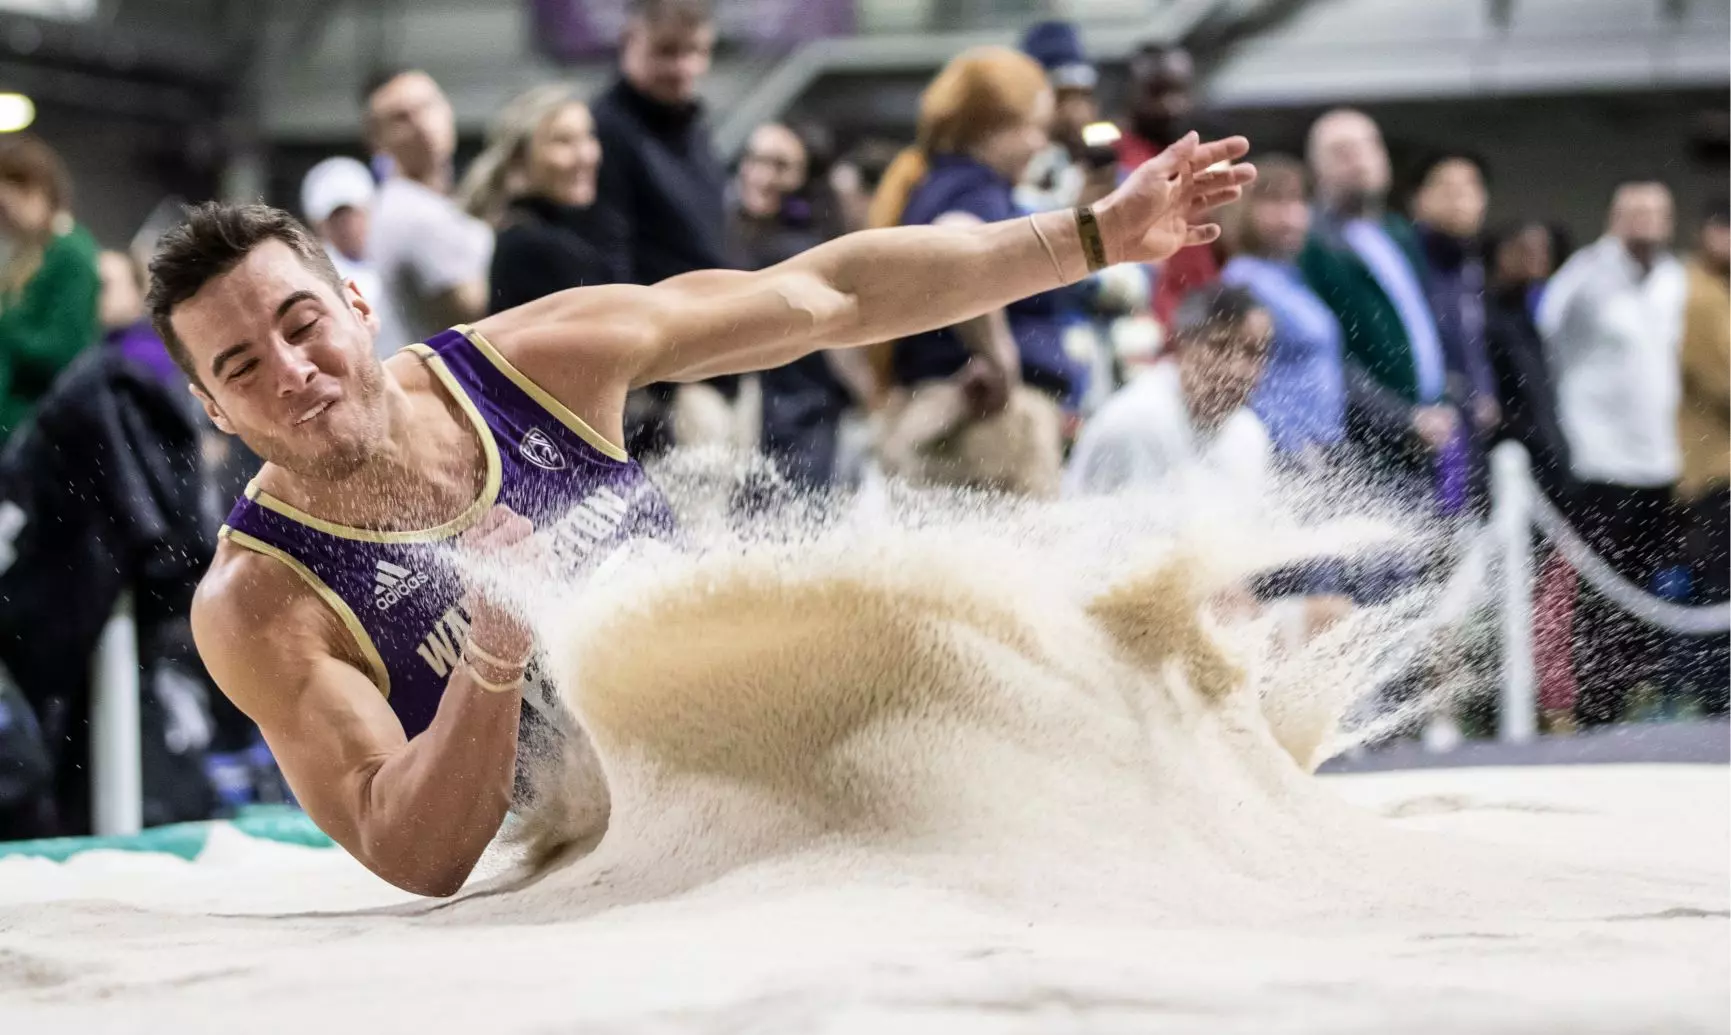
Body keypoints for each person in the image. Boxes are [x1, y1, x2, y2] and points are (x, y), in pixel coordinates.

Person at [145, 133, 1252, 895]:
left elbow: (831, 297)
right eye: (242, 366)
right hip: (624, 851)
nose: (292, 373)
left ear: (355, 301)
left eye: (302, 324)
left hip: (780, 733)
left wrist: (1093, 236)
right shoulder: (261, 601)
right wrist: (491, 654)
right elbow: (407, 850)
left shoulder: (534, 363)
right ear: (212, 407)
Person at [866, 46, 1086, 498]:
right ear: (992, 127)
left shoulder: (932, 185)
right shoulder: (975, 188)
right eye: (1034, 129)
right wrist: (998, 357)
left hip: (944, 415)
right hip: (985, 424)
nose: (1041, 144)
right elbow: (954, 249)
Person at [1539, 181, 1687, 725]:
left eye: (1658, 213)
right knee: (1599, 590)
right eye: (1637, 213)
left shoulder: (1673, 278)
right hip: (1599, 461)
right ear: (1614, 217)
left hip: (1658, 459)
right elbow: (1543, 341)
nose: (1648, 223)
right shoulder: (1584, 277)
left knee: (1646, 586)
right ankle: (1590, 704)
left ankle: (1627, 695)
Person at [590, 0, 734, 455]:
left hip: (722, 360)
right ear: (630, 40)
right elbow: (608, 259)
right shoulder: (604, 129)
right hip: (665, 378)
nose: (684, 67)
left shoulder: (693, 125)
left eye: (696, 51)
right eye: (667, 51)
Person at [1299, 109, 1458, 510]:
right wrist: (1402, 418)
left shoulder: (1397, 233)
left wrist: (1444, 402)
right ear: (1316, 170)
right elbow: (1328, 356)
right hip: (1363, 445)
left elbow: (1424, 333)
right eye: (1342, 152)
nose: (1360, 159)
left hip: (1427, 437)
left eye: (1370, 146)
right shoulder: (1311, 245)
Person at [729, 123, 861, 489]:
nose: (762, 175)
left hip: (800, 416)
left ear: (804, 177)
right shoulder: (734, 234)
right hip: (759, 414)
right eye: (754, 159)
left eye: (780, 165)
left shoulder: (798, 249)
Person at [1064, 284, 1272, 500]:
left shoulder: (1249, 433)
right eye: (1220, 347)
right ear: (1183, 342)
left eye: (1253, 353)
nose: (1238, 369)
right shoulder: (1135, 420)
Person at [1218, 154, 1346, 469]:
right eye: (1275, 203)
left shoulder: (1289, 276)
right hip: (1281, 453)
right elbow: (1235, 373)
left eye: (1298, 202)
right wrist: (1288, 443)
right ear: (1244, 209)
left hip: (1319, 449)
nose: (1292, 217)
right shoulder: (1243, 280)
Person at [364, 69, 493, 349]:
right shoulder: (411, 213)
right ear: (377, 140)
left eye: (427, 107)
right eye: (401, 118)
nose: (421, 124)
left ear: (448, 109)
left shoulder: (435, 204)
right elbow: (480, 313)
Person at [458, 84, 610, 314]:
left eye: (588, 136)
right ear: (519, 157)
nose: (585, 155)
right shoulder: (531, 247)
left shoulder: (559, 235)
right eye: (563, 141)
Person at [1410, 151, 1500, 510]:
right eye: (1446, 187)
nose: (1459, 198)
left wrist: (1484, 388)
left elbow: (1473, 338)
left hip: (1468, 428)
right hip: (1424, 422)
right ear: (1418, 198)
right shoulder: (1410, 259)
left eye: (1470, 187)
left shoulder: (1471, 264)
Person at [0, 133, 100, 441]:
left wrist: (4, 327)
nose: (4, 219)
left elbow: (66, 349)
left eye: (6, 206)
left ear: (34, 191)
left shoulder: (71, 254)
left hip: (38, 427)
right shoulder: (31, 254)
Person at [1115, 42, 1216, 326]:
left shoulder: (1200, 157)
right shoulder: (1112, 165)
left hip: (1203, 321)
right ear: (1131, 93)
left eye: (1179, 91)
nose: (1170, 106)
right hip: (1148, 331)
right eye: (1156, 92)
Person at [1674, 198, 1728, 713]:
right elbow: (1722, 380)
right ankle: (1715, 701)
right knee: (1720, 582)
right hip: (1716, 468)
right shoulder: (1699, 294)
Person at [300, 156, 399, 360]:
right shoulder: (315, 275)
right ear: (319, 224)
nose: (347, 225)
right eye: (336, 218)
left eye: (353, 213)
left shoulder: (394, 253)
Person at [1015, 20, 1117, 214]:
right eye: (1062, 98)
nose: (1077, 113)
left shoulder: (1109, 173)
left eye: (1083, 97)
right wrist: (1074, 213)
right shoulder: (1008, 175)